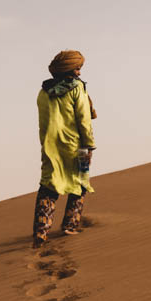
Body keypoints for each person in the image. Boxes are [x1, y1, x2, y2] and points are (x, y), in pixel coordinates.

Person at [33, 49, 97, 248]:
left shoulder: (43, 92)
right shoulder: (77, 88)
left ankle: (40, 232)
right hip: (77, 144)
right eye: (77, 68)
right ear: (68, 69)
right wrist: (89, 144)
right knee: (81, 182)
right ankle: (70, 225)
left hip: (50, 146)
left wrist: (46, 143)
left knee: (48, 186)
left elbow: (42, 122)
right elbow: (83, 119)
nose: (79, 72)